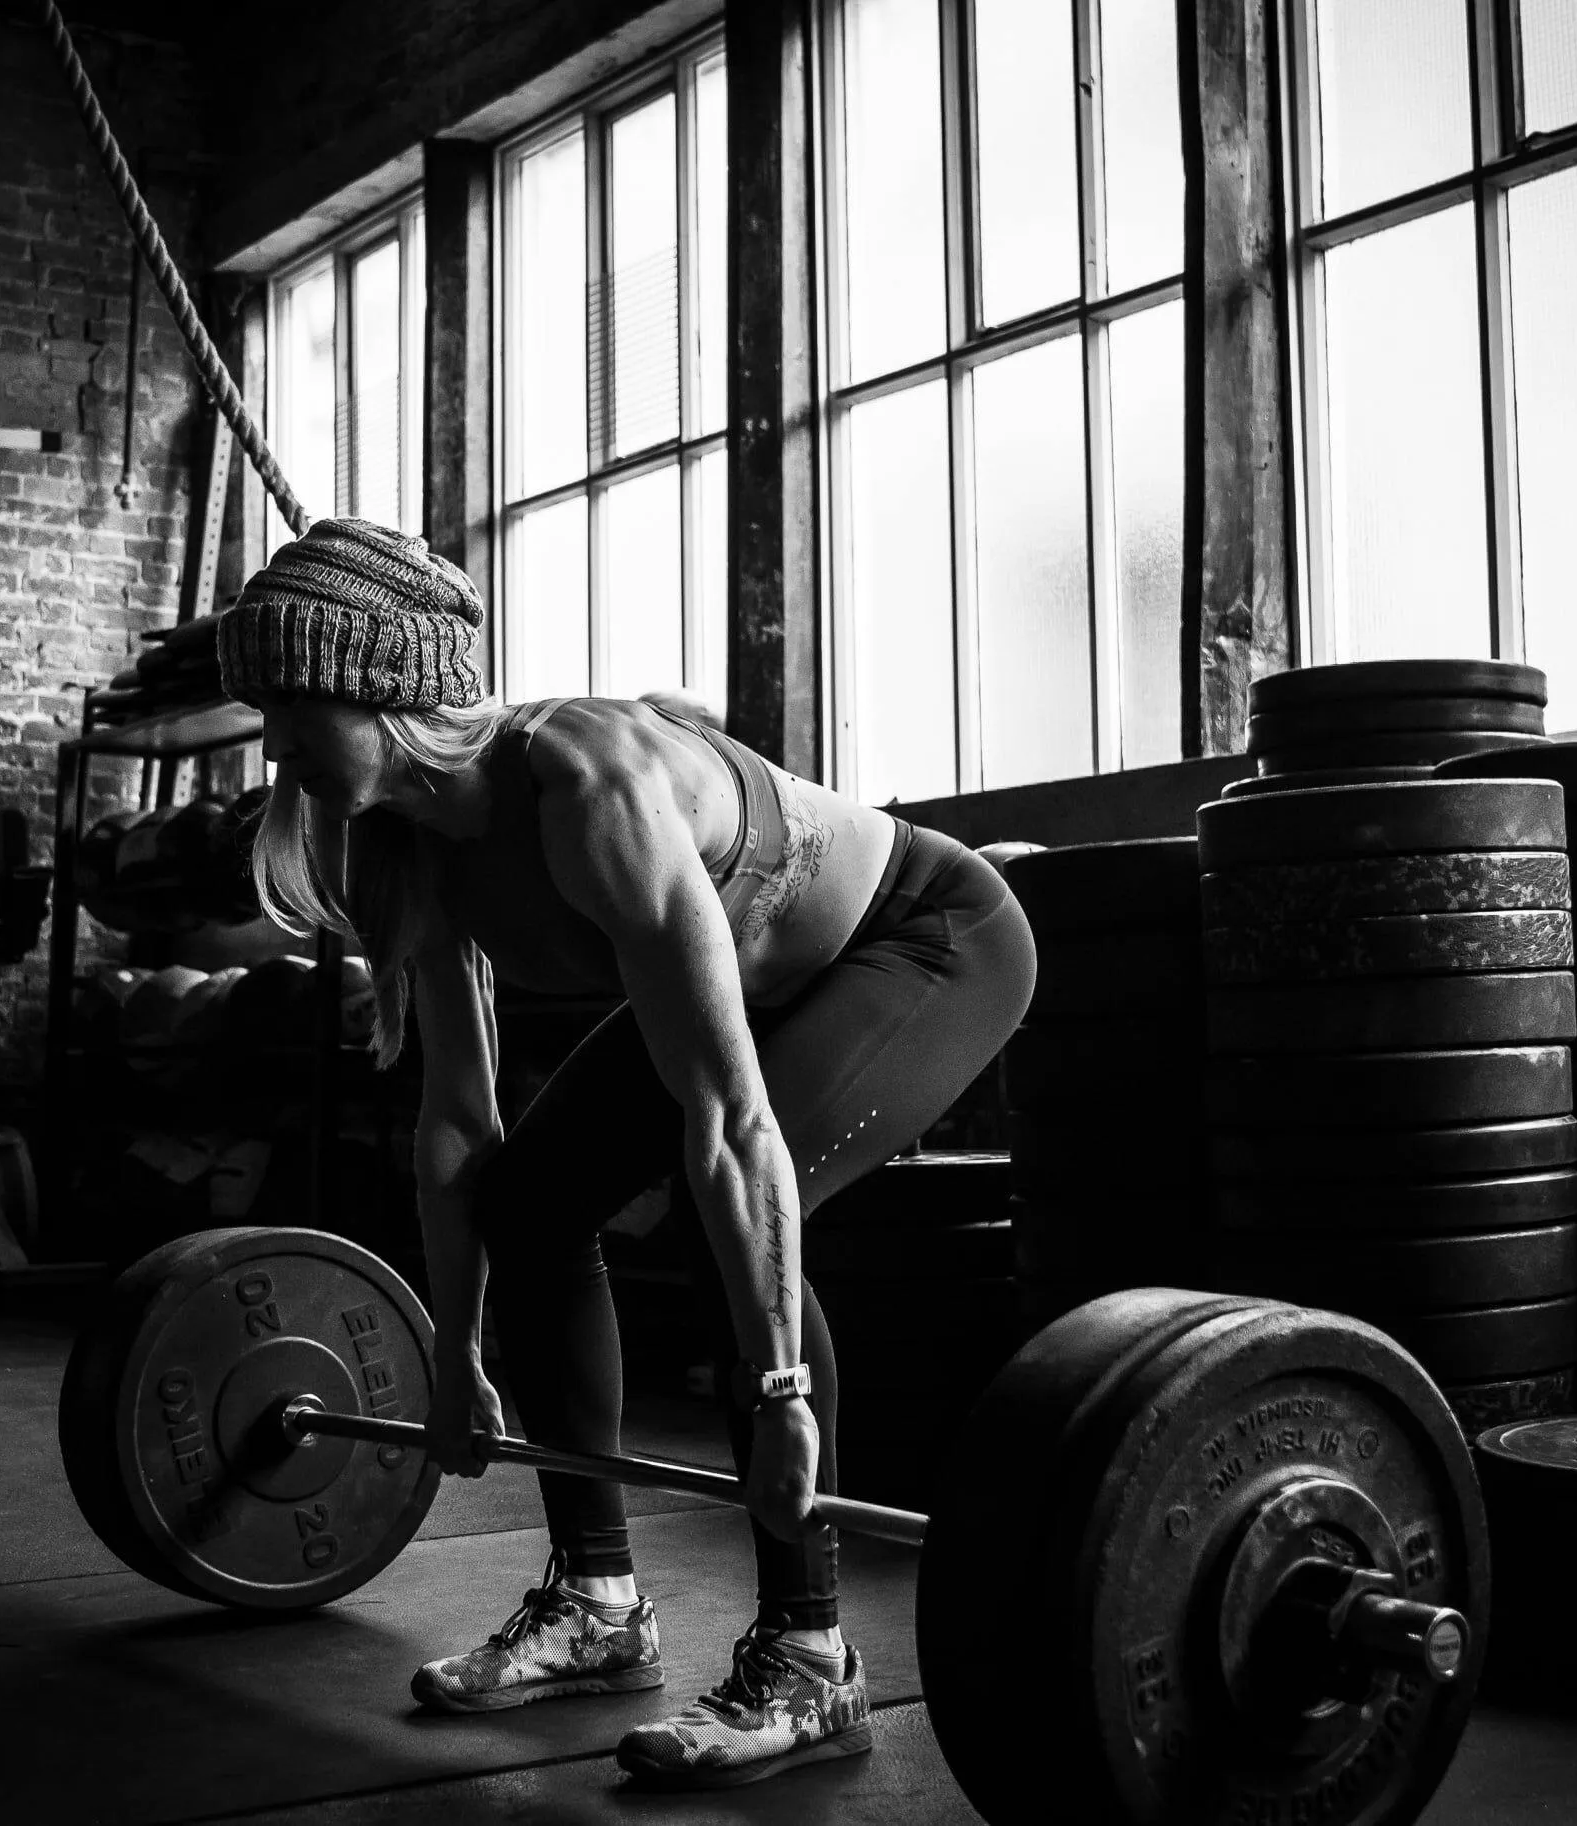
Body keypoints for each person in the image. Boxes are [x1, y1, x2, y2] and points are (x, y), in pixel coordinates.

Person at [219, 518, 1036, 1789]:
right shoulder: (404, 841)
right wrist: (452, 1360)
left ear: (377, 692)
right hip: (762, 979)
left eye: (286, 706)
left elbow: (728, 1122)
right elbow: (458, 1128)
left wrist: (779, 1401)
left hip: (924, 940)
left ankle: (812, 1657)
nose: (271, 742)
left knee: (734, 1235)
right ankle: (598, 1604)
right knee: (534, 1199)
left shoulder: (587, 786)